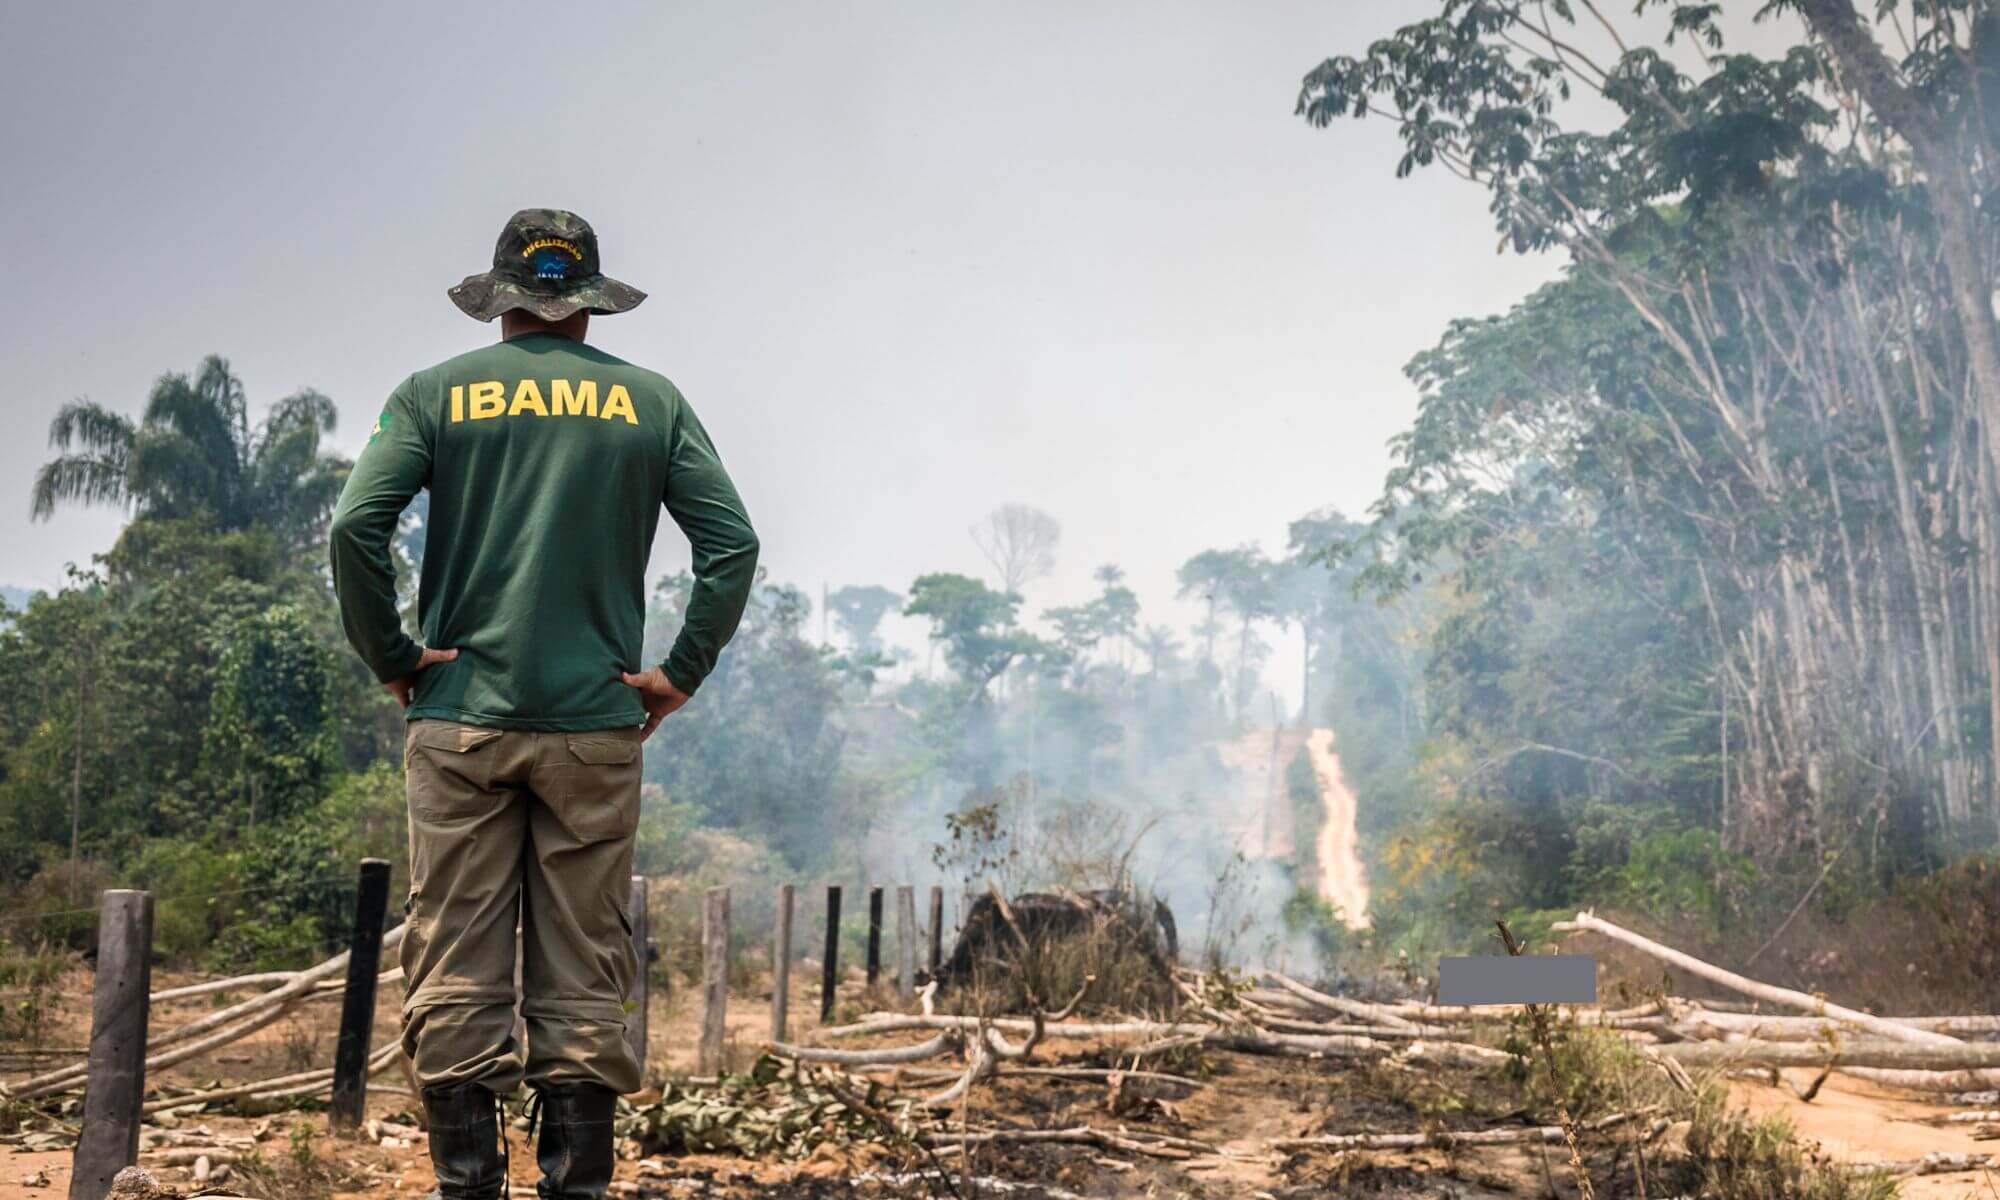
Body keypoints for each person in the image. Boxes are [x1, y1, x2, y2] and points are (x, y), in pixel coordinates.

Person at [329, 208, 758, 1200]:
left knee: (455, 964)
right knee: (582, 973)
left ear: (499, 299)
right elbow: (730, 545)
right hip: (594, 729)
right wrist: (677, 672)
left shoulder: (434, 395)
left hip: (460, 720)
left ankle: (467, 1186)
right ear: (589, 305)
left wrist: (391, 655)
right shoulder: (652, 403)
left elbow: (358, 526)